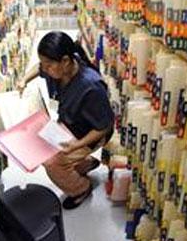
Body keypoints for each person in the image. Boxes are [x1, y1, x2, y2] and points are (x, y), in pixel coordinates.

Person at [18, 31, 115, 210]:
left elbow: (103, 126)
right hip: (69, 123)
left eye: (48, 65)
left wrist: (76, 146)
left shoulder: (91, 86)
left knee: (51, 163)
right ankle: (84, 164)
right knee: (39, 143)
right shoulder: (58, 70)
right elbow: (38, 68)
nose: (44, 69)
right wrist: (24, 80)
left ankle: (81, 189)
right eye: (43, 64)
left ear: (65, 61)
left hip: (90, 134)